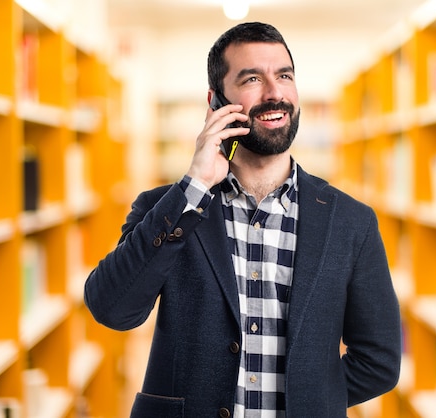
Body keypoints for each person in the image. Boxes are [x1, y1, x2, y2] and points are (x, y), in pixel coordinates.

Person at [84, 21, 401, 418]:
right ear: (216, 102)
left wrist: (305, 401)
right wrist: (195, 185)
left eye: (284, 76)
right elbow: (112, 309)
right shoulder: (166, 208)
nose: (274, 93)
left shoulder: (351, 222)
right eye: (252, 78)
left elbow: (379, 362)